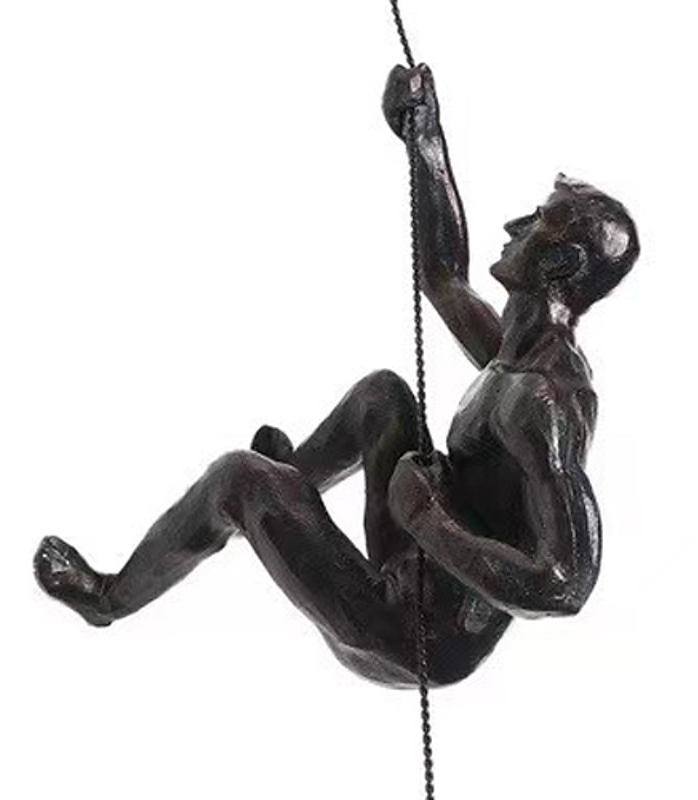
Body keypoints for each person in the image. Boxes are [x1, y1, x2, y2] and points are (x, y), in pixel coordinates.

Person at [33, 64, 639, 689]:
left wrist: (425, 518)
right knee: (383, 397)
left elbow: (563, 584)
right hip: (419, 559)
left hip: (415, 631)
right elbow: (444, 278)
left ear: (560, 262)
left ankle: (107, 598)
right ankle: (290, 488)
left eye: (537, 221)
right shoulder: (516, 352)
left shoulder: (543, 400)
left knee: (239, 477)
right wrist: (425, 139)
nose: (515, 227)